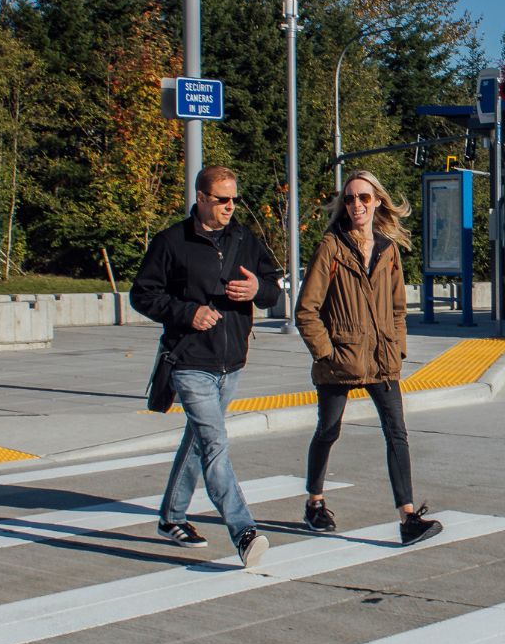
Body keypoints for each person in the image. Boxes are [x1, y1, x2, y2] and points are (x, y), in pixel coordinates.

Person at [130, 166, 282, 568]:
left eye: (234, 199)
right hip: (190, 359)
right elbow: (142, 295)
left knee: (199, 440)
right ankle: (244, 530)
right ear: (200, 198)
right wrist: (187, 312)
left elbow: (271, 287)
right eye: (222, 199)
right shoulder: (171, 243)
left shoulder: (245, 239)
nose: (230, 206)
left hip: (231, 361)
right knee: (214, 443)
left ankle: (171, 517)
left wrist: (257, 290)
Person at [294, 169, 441, 546]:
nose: (356, 204)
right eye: (349, 198)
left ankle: (408, 517)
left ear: (377, 201)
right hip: (339, 360)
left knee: (397, 434)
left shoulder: (388, 250)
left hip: (381, 359)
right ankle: (315, 502)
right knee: (328, 430)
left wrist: (397, 347)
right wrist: (326, 352)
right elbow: (306, 310)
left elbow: (397, 308)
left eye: (363, 197)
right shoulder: (331, 246)